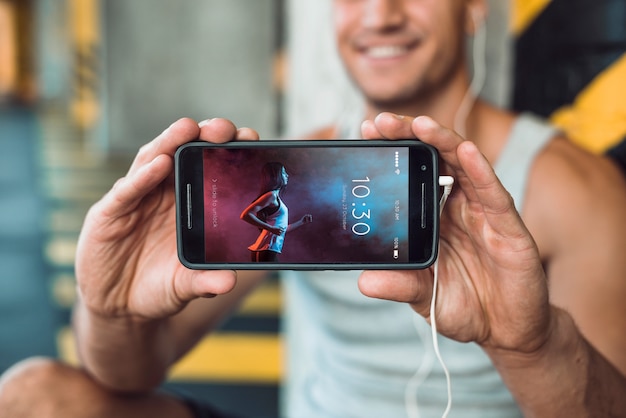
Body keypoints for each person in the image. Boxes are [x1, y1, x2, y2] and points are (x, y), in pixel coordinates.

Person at [1, 0, 626, 417]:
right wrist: (113, 313)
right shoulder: (294, 169)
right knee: (30, 395)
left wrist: (531, 348)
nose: (379, 16)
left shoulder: (573, 188)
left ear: (475, 8)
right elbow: (131, 372)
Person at [240, 162, 313, 262]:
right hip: (266, 249)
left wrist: (301, 222)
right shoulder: (271, 195)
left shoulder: (275, 197)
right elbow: (245, 215)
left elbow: (281, 229)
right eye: (283, 173)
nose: (287, 175)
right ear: (275, 176)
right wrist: (270, 228)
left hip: (267, 250)